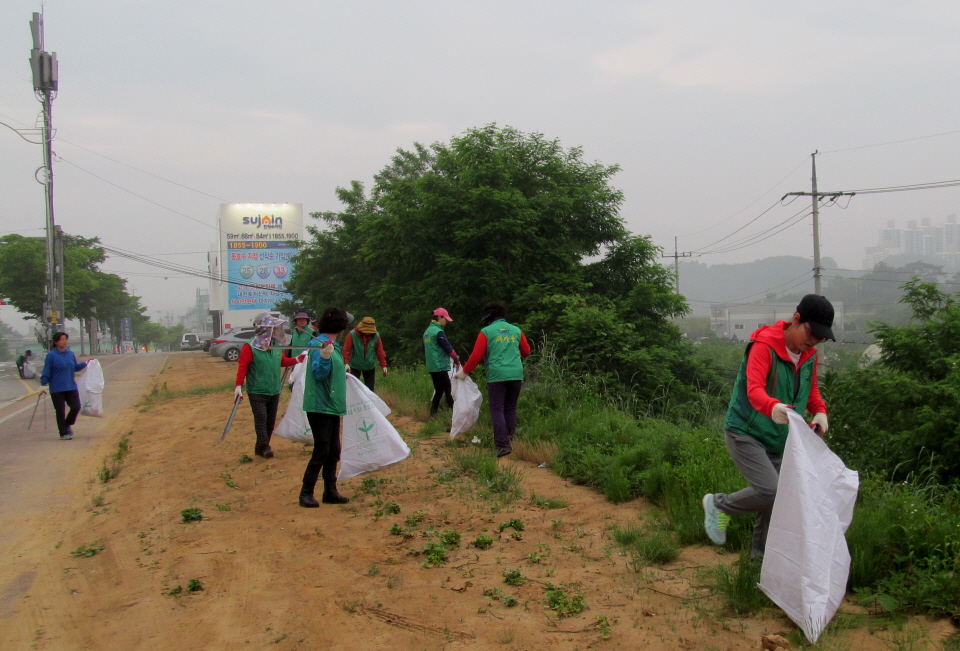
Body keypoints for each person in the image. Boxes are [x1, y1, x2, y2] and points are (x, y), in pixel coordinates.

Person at [702, 294, 834, 559]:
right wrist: (772, 406)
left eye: (821, 337)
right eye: (811, 332)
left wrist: (820, 412)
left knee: (776, 500)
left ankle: (759, 561)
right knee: (771, 491)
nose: (814, 340)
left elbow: (811, 390)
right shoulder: (764, 346)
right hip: (745, 431)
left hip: (778, 436)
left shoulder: (809, 355)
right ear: (796, 320)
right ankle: (718, 505)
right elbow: (754, 390)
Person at [455, 302, 531, 457]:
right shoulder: (516, 330)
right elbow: (526, 351)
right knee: (510, 408)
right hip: (516, 374)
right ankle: (510, 441)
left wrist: (464, 372)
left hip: (497, 376)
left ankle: (502, 446)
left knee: (497, 409)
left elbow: (477, 355)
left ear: (489, 318)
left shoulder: (487, 332)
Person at [299, 306, 351, 507]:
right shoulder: (320, 345)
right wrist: (325, 357)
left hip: (332, 404)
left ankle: (330, 491)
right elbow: (318, 374)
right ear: (341, 327)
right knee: (322, 450)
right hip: (320, 405)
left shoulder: (332, 345)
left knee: (333, 450)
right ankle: (306, 493)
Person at [235, 313, 298, 458]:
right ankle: (265, 447)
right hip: (257, 390)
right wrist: (238, 385)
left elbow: (282, 361)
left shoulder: (276, 346)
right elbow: (243, 366)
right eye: (272, 328)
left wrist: (297, 359)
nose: (276, 330)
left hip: (274, 389)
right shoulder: (250, 347)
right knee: (261, 419)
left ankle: (260, 447)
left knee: (270, 421)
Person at [39, 333, 91, 440]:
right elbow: (47, 371)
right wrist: (43, 384)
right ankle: (63, 433)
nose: (64, 341)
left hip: (71, 386)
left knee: (76, 406)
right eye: (62, 339)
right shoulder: (51, 356)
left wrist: (86, 363)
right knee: (60, 411)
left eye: (66, 339)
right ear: (56, 342)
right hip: (57, 388)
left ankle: (67, 424)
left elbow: (75, 367)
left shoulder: (70, 354)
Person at [423, 308, 461, 416]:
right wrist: (456, 360)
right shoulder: (438, 332)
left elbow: (423, 348)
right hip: (439, 365)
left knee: (439, 390)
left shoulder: (427, 332)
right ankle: (453, 415)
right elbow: (449, 349)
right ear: (440, 317)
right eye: (445, 319)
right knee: (448, 389)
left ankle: (432, 414)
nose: (446, 322)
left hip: (431, 366)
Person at [342, 316, 388, 392]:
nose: (367, 333)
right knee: (353, 389)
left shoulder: (376, 336)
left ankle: (369, 403)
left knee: (370, 390)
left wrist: (383, 365)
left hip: (370, 366)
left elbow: (380, 351)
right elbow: (346, 350)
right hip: (355, 365)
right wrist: (346, 363)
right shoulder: (352, 335)